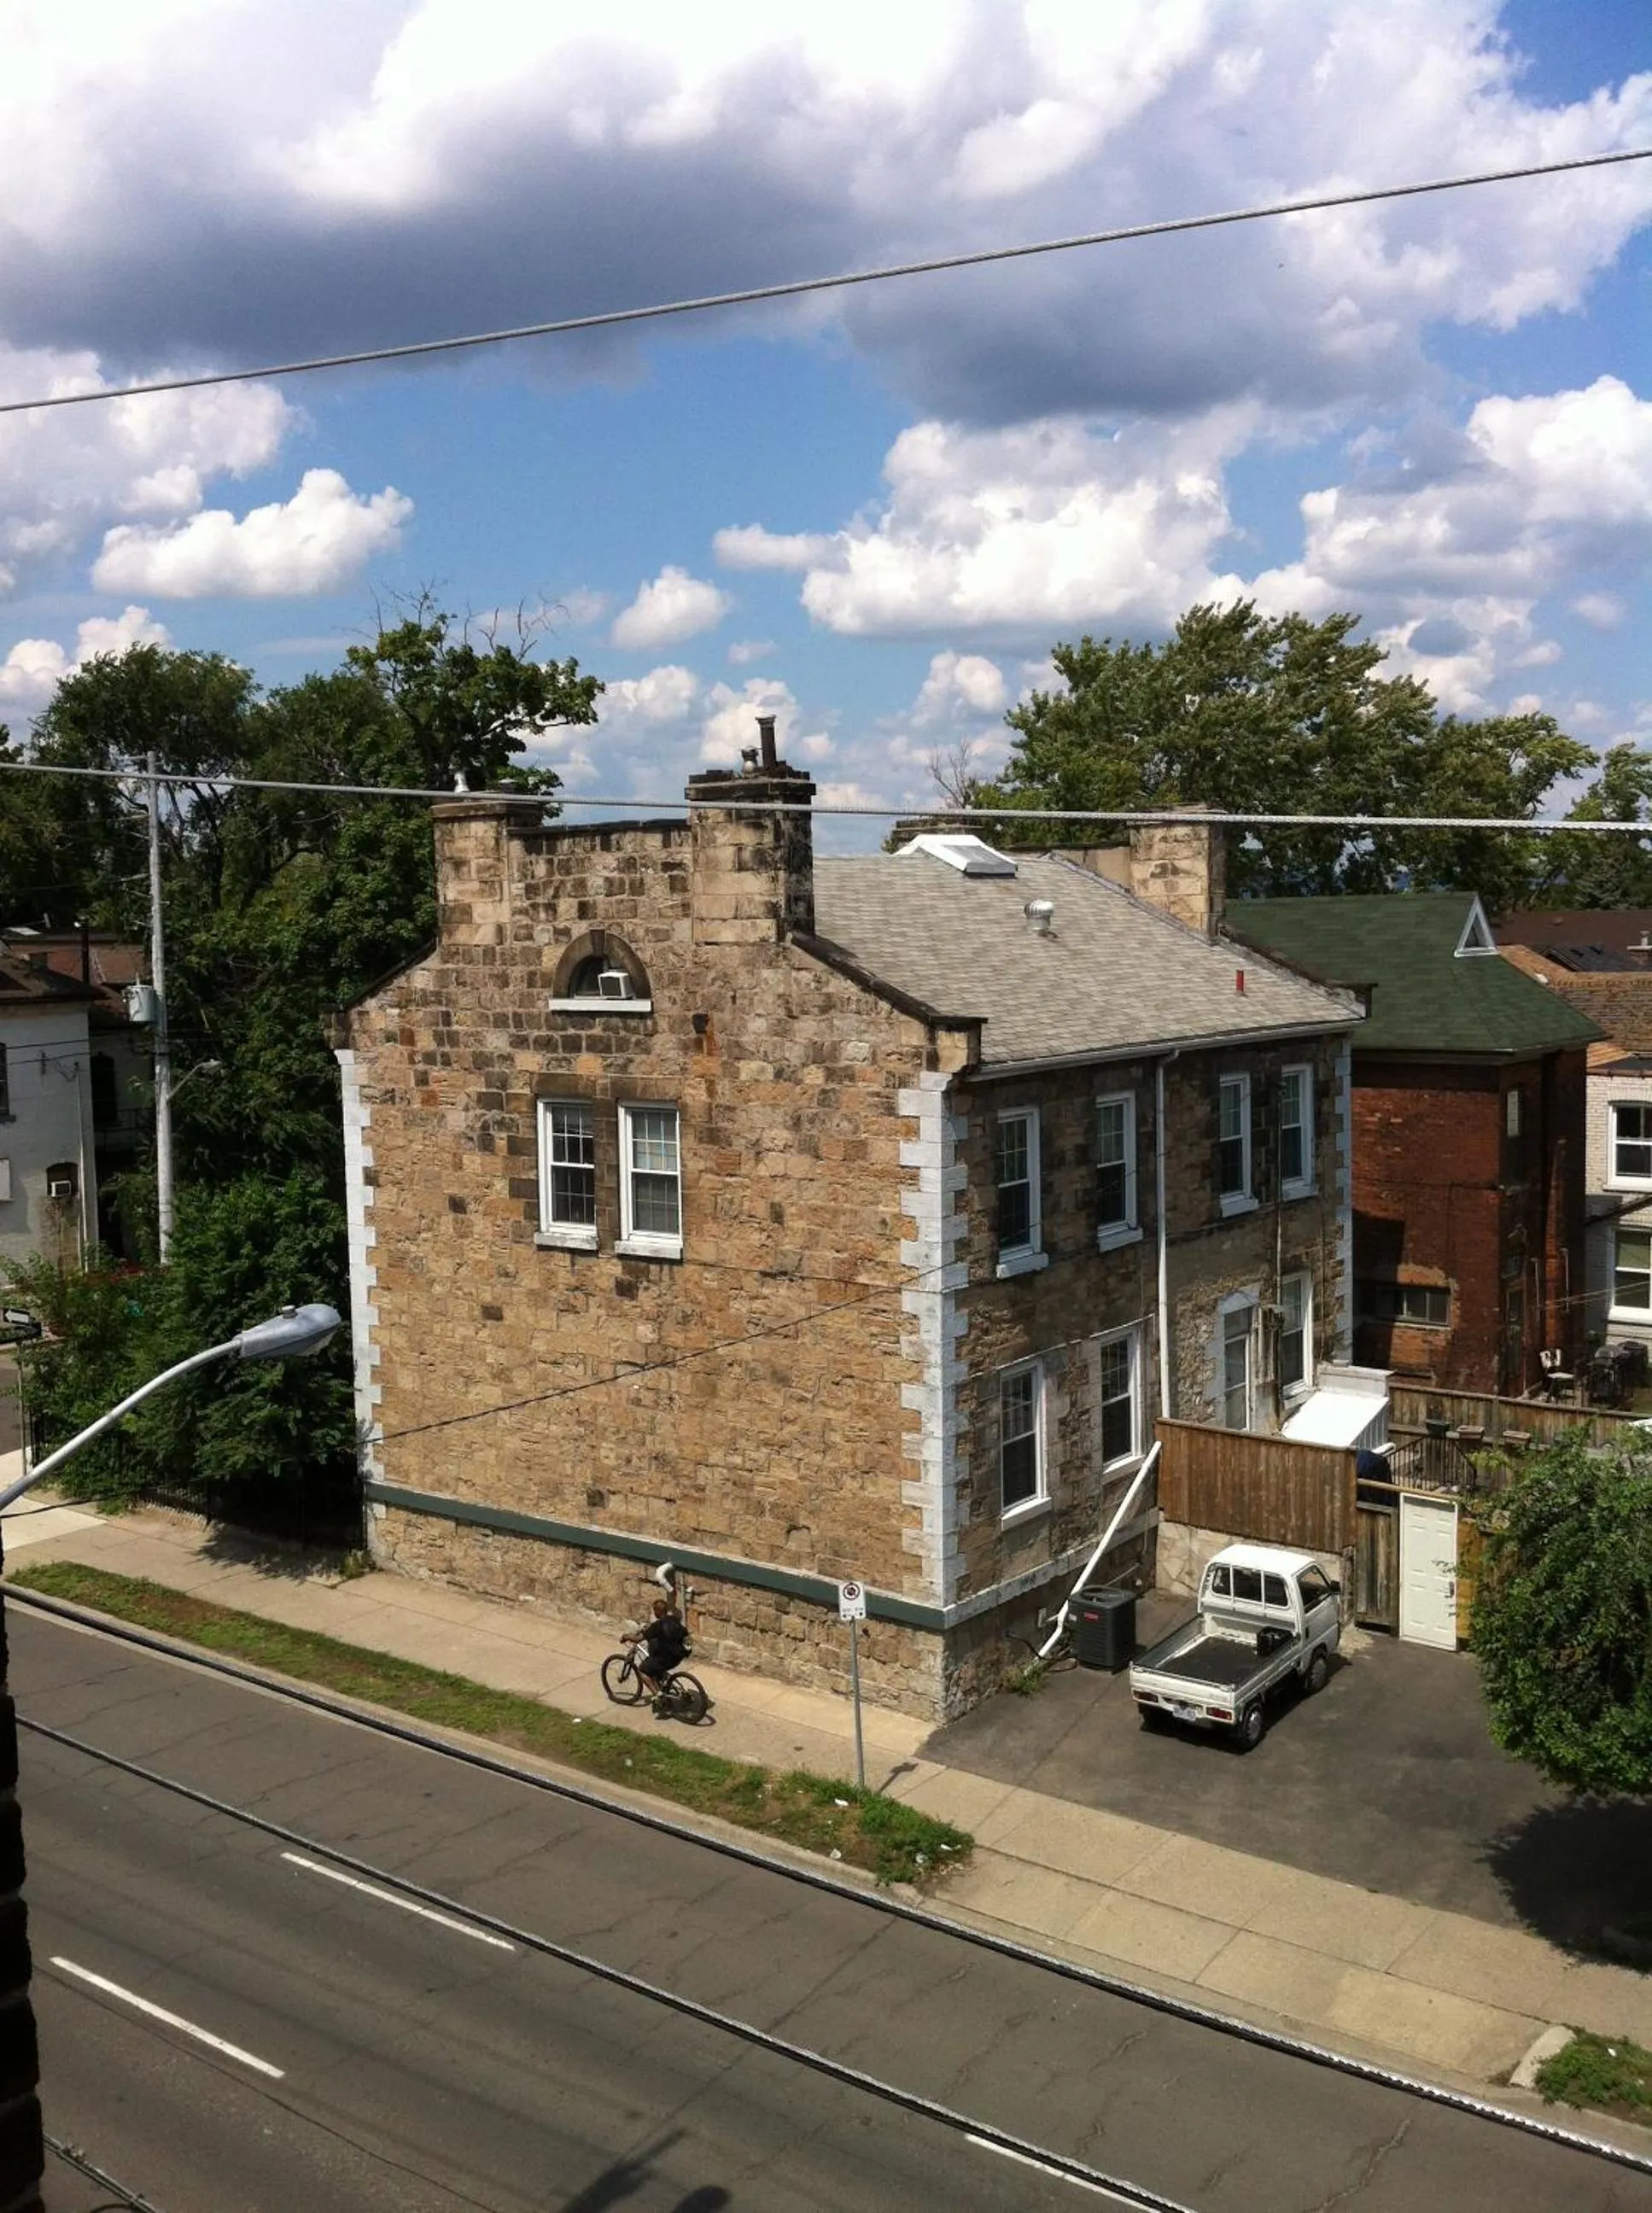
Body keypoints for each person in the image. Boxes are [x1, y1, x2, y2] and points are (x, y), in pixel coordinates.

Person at [625, 1597, 689, 1702]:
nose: (654, 1612)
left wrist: (626, 1636)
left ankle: (658, 1695)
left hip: (665, 1659)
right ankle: (663, 1684)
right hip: (678, 1655)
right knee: (656, 1664)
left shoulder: (657, 1626)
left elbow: (638, 1639)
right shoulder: (674, 1619)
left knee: (642, 1671)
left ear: (657, 1611)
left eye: (655, 1610)